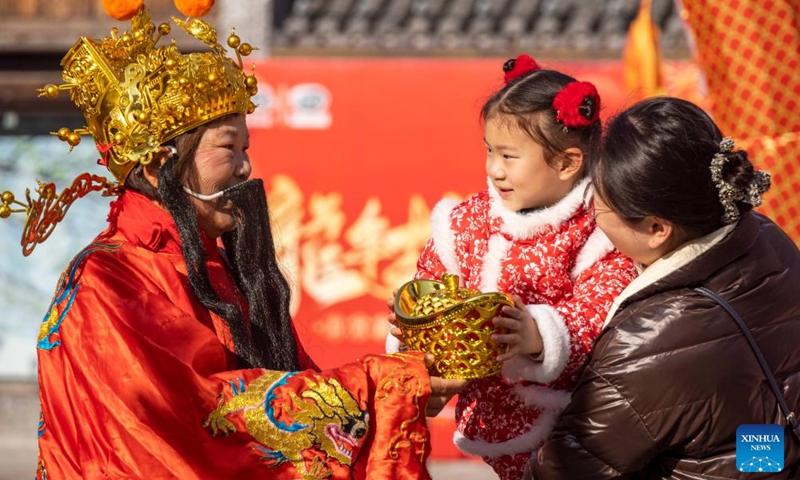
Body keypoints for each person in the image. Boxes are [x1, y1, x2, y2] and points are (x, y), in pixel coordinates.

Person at [0, 3, 461, 479]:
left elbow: (294, 391)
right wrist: (380, 384)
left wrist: (406, 385)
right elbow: (197, 412)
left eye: (247, 150)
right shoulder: (108, 282)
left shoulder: (217, 271)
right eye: (228, 148)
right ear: (161, 164)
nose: (245, 169)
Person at [388, 55, 637, 479]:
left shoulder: (602, 227)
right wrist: (417, 356)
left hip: (577, 429)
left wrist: (538, 336)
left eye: (509, 156)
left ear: (567, 163)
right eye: (489, 151)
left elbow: (599, 314)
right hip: (491, 418)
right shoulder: (465, 222)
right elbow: (429, 284)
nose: (494, 169)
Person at [526, 97, 800, 478]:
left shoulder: (645, 342)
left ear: (656, 229)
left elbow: (566, 470)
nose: (591, 214)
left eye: (599, 203)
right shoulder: (768, 236)